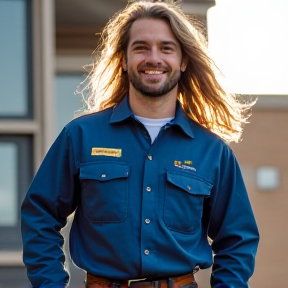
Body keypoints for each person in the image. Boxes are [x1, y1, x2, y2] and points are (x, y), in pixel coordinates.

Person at [21, 1, 259, 287]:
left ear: (183, 61)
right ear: (123, 58)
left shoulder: (213, 152)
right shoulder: (80, 136)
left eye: (166, 48)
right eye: (141, 47)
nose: (153, 58)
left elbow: (237, 240)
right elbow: (40, 215)